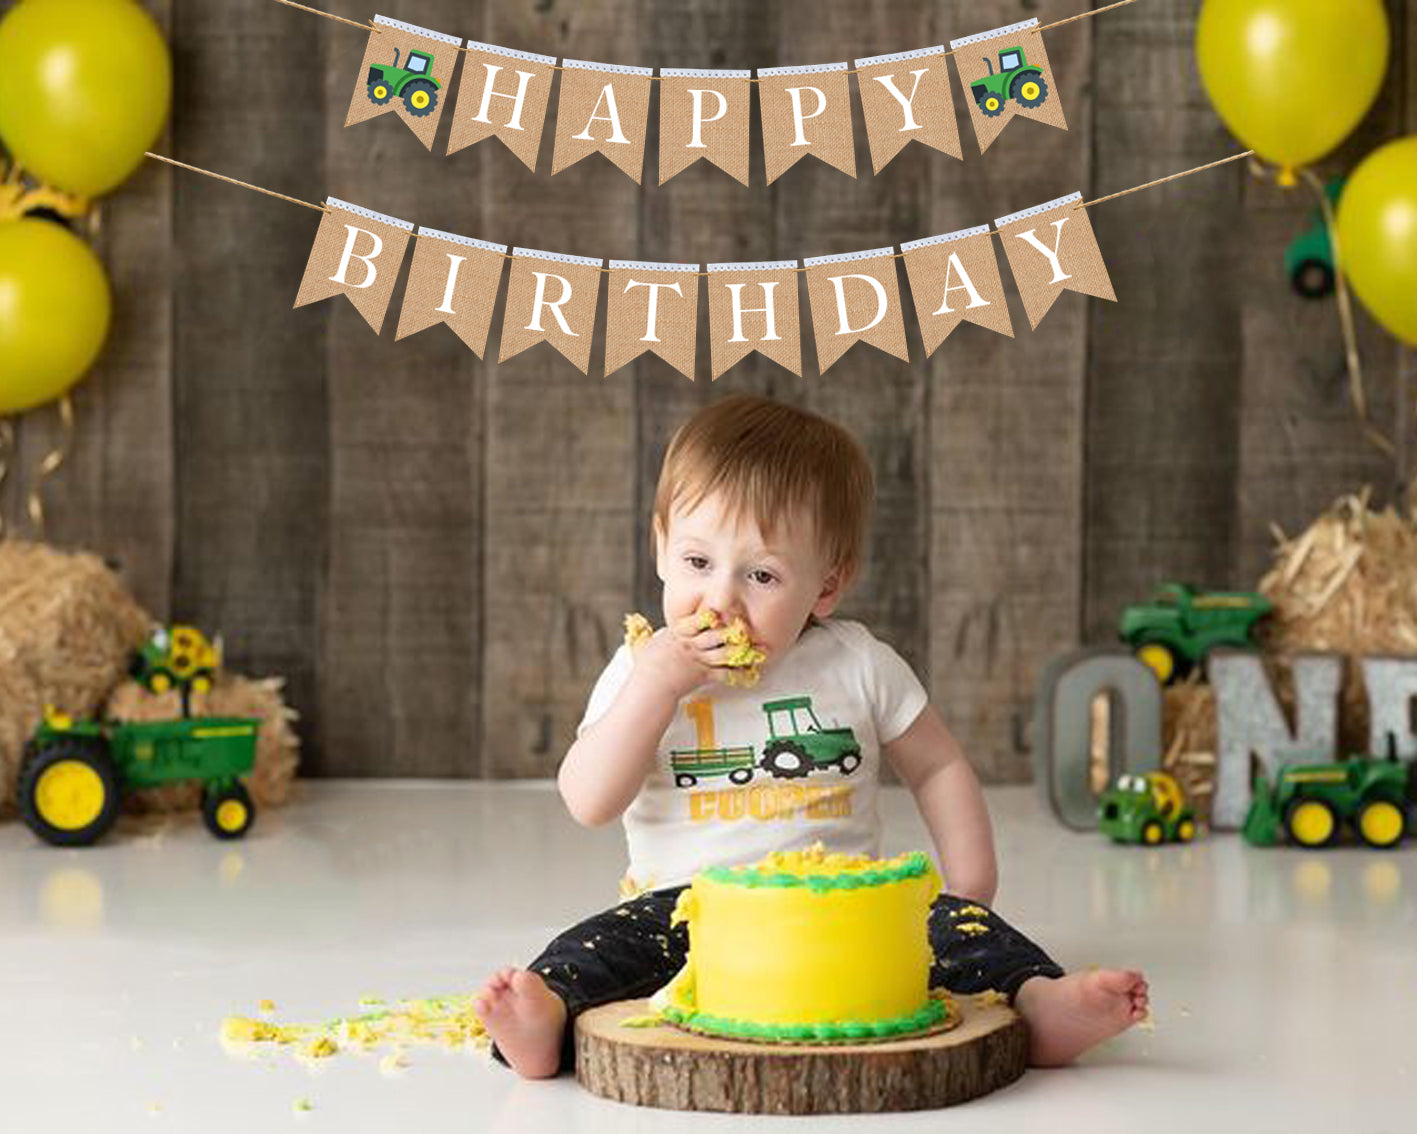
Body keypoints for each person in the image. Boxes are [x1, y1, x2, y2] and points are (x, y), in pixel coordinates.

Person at [476, 394, 1148, 1077]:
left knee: (965, 939)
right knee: (597, 948)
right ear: (660, 549)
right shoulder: (638, 667)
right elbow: (588, 800)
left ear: (825, 587)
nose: (720, 601)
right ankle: (544, 1021)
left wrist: (969, 888)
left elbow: (938, 766)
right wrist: (656, 687)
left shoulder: (857, 664)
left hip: (847, 909)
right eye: (697, 562)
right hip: (687, 908)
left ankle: (1040, 1006)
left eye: (762, 575)